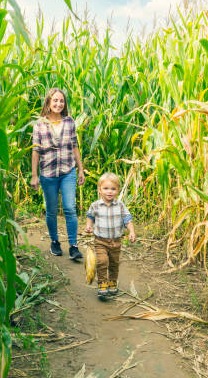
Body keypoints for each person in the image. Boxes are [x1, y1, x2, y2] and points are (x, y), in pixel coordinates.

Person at [31, 88, 85, 260]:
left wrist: (81, 169)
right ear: (48, 102)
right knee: (52, 210)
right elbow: (35, 151)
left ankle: (73, 245)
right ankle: (55, 241)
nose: (58, 104)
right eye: (55, 100)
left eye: (61, 101)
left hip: (68, 171)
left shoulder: (69, 122)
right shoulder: (39, 124)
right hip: (48, 174)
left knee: (70, 208)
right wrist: (34, 175)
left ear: (64, 104)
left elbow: (75, 146)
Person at [85, 172, 136, 298]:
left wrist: (132, 231)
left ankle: (112, 282)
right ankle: (102, 283)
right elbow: (90, 216)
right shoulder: (95, 205)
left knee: (114, 263)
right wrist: (89, 226)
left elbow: (127, 219)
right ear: (99, 189)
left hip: (116, 241)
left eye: (113, 189)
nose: (109, 191)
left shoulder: (120, 206)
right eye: (106, 188)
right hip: (100, 241)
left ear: (118, 190)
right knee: (102, 262)